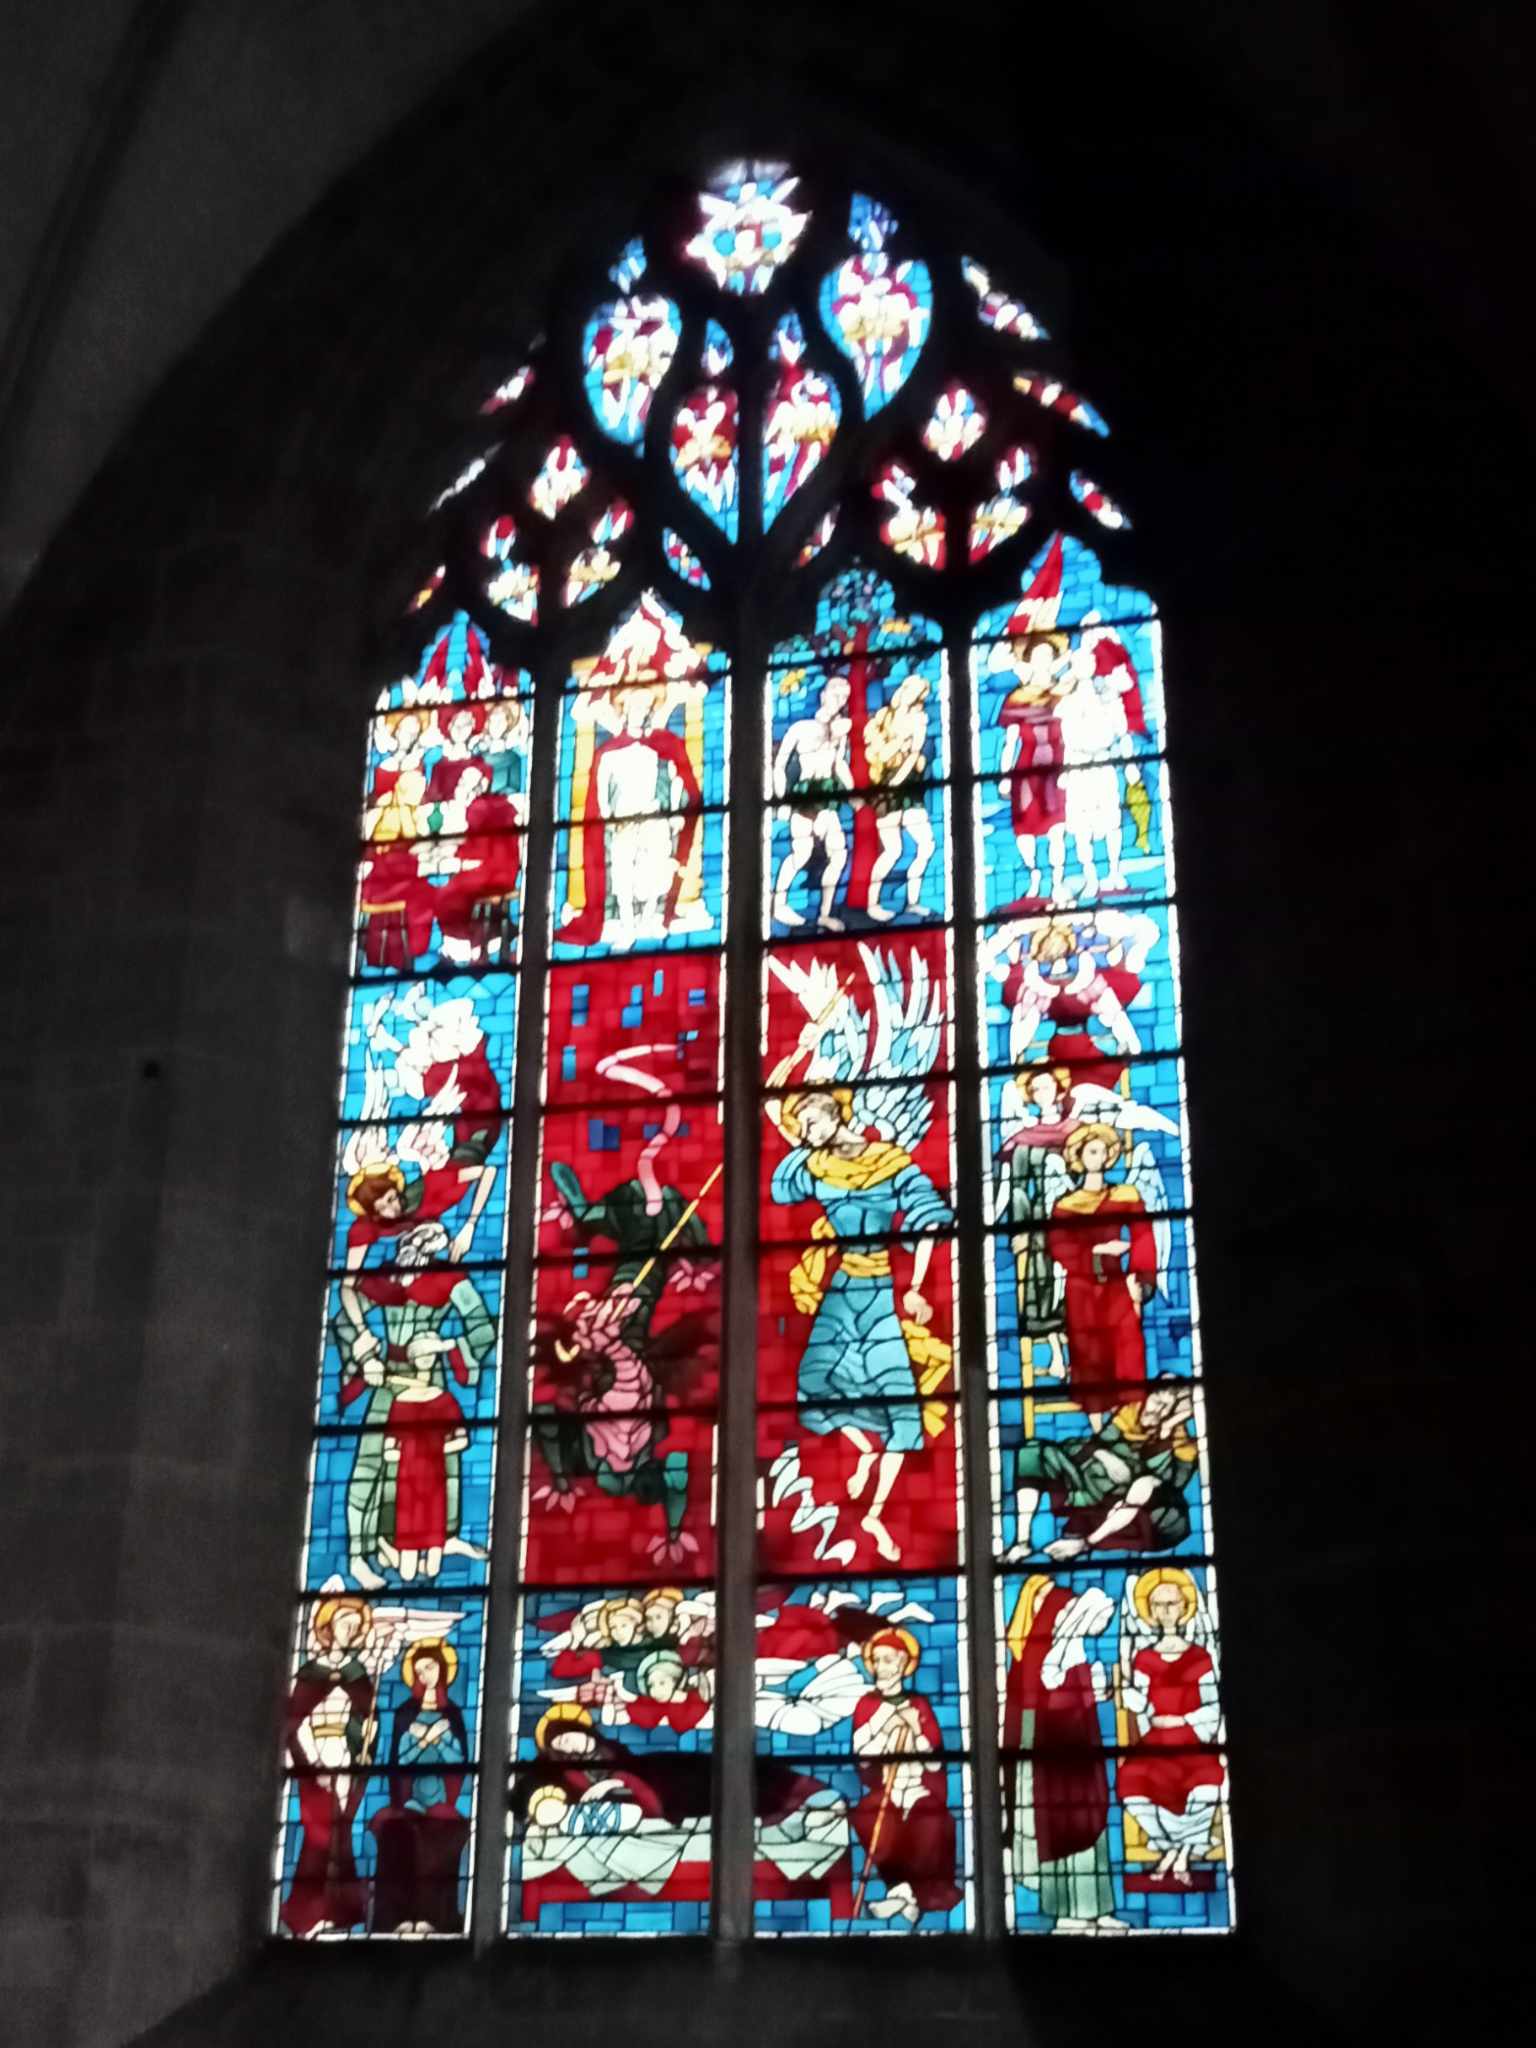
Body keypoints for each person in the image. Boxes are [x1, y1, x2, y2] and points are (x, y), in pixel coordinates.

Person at [766, 1086, 952, 1561]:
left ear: (836, 1115)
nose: (807, 1133)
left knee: (903, 1407)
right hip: (843, 1288)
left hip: (879, 1291)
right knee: (812, 1380)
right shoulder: (814, 1166)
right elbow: (780, 1188)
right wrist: (790, 1129)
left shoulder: (890, 1162)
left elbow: (928, 1218)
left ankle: (876, 1513)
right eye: (802, 1128)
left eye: (812, 1122)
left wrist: (916, 1287)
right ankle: (863, 1449)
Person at [334, 1218, 494, 1591]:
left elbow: (482, 1327)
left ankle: (437, 1541)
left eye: (433, 1241)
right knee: (370, 1465)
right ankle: (361, 1553)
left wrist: (445, 1346)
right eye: (421, 1239)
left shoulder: (450, 1281)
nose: (425, 1248)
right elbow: (344, 1319)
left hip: (430, 1383)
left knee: (437, 1471)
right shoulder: (385, 1280)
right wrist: (364, 1355)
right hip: (386, 1379)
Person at [1002, 1578, 1122, 1929]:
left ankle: (1098, 1910)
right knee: (1056, 1826)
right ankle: (1067, 1914)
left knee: (1088, 1825)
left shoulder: (1072, 1648)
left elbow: (1076, 1692)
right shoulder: (1034, 1655)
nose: (1053, 1602)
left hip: (1080, 1750)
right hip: (1048, 1751)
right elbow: (1039, 1700)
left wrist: (1094, 1688)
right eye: (1040, 1596)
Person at [563, 681, 705, 947]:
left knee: (656, 869)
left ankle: (652, 917)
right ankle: (627, 925)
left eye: (645, 706)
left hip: (653, 815)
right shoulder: (609, 752)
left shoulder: (662, 746)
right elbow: (600, 793)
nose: (640, 711)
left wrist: (675, 810)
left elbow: (680, 781)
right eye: (634, 706)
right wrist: (609, 819)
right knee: (622, 873)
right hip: (623, 820)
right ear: (625, 710)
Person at [1006, 1378, 1199, 1560]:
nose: (1158, 1411)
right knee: (1032, 1452)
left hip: (1131, 1509)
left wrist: (1166, 1433)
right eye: (1157, 1401)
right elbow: (1089, 1445)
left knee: (1143, 1486)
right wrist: (1106, 1457)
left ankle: (1085, 1543)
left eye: (1168, 1408)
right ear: (1147, 1396)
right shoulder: (1127, 1416)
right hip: (1091, 1486)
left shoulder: (1183, 1448)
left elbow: (1169, 1486)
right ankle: (1022, 1542)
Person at [1119, 1569, 1225, 1885]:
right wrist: (1132, 1699)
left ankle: (1174, 1854)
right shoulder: (1144, 1659)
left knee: (1207, 1782)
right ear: (1149, 1611)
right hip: (1155, 1741)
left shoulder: (1200, 1658)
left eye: (1172, 1603)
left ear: (1184, 1607)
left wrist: (1183, 1720)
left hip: (1192, 1739)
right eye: (1158, 1604)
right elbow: (1140, 1707)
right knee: (1131, 1781)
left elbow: (1213, 1706)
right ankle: (1183, 1849)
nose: (1165, 1611)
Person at [1047, 1123, 1158, 1424]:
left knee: (1127, 1346)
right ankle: (1097, 1427)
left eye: (1102, 1151)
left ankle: (1129, 1424)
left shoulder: (1125, 1194)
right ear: (1079, 1157)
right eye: (1091, 1151)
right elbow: (1059, 1246)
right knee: (1089, 1352)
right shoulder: (1066, 1204)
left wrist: (1141, 1278)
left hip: (1118, 1285)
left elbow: (1143, 1236)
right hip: (1081, 1288)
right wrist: (1098, 1251)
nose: (1098, 1157)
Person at [849, 1629, 961, 1926]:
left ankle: (907, 1895)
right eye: (876, 1661)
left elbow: (934, 1764)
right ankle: (901, 1890)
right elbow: (862, 1756)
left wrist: (916, 1728)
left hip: (916, 1788)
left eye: (887, 1660)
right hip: (887, 1788)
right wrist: (882, 1727)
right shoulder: (867, 1705)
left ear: (902, 1664)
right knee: (867, 1814)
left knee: (931, 1818)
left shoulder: (919, 1705)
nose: (881, 1668)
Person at [281, 1596, 376, 1937]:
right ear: (328, 1627)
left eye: (355, 1626)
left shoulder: (358, 1675)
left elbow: (366, 1721)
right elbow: (294, 1724)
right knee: (317, 1835)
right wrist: (313, 1763)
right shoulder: (309, 1674)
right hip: (314, 1759)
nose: (349, 1630)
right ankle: (308, 1911)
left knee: (341, 1834)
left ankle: (340, 1910)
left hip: (344, 1759)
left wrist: (365, 1734)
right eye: (344, 1623)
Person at [370, 1639, 471, 1934]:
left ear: (443, 1669)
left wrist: (438, 1739)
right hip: (409, 1799)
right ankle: (398, 1918)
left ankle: (435, 1917)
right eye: (420, 1670)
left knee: (442, 1841)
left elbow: (459, 1760)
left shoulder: (453, 1714)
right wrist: (424, 1740)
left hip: (442, 1800)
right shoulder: (405, 1712)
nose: (426, 1674)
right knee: (396, 1836)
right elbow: (399, 1760)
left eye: (430, 1667)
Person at [771, 676, 856, 930]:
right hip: (805, 796)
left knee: (839, 854)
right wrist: (782, 801)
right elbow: (779, 765)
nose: (840, 700)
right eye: (836, 693)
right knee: (801, 853)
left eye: (844, 696)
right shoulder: (801, 728)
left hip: (826, 796)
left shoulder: (840, 731)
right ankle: (778, 905)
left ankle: (825, 914)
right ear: (823, 695)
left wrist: (855, 793)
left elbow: (839, 764)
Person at [997, 632, 1069, 903]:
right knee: (1025, 827)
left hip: (1058, 768)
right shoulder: (1017, 698)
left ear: (1054, 660)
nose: (1043, 660)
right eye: (1038, 655)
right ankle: (1035, 876)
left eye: (1048, 655)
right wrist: (1004, 775)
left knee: (1057, 827)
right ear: (1029, 661)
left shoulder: (1065, 692)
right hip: (1026, 770)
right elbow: (1011, 741)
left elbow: (1072, 730)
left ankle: (1058, 882)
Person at [863, 673, 935, 920]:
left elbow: (914, 753)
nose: (910, 695)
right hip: (886, 785)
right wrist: (891, 783)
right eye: (908, 689)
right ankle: (872, 903)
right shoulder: (884, 717)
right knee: (892, 850)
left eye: (916, 693)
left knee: (926, 844)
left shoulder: (919, 719)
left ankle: (912, 901)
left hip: (908, 785)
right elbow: (878, 755)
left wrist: (898, 781)